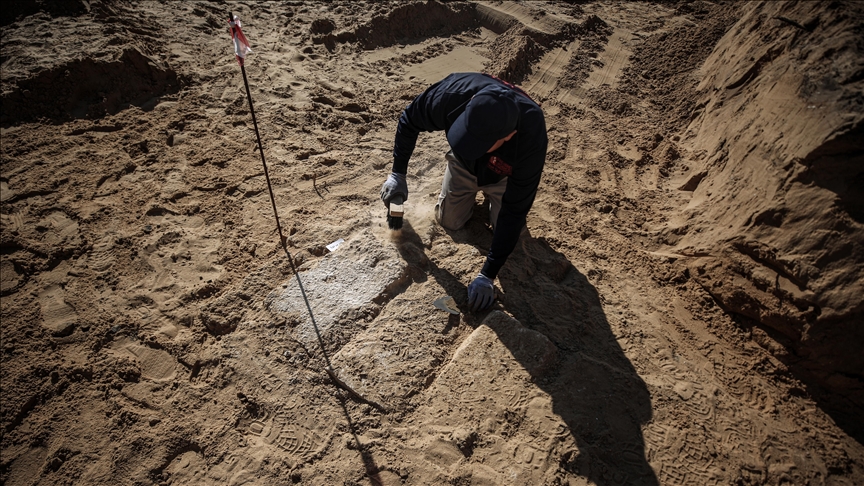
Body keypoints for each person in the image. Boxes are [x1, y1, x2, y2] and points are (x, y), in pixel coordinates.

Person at [380, 72, 547, 312]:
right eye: (467, 134)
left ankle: (491, 197)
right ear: (470, 105)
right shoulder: (453, 94)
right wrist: (398, 174)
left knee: (510, 232)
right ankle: (470, 186)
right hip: (463, 165)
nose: (470, 142)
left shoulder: (531, 139)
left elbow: (514, 211)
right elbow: (410, 119)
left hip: (504, 176)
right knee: (449, 221)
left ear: (508, 135)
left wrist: (487, 275)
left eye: (478, 143)